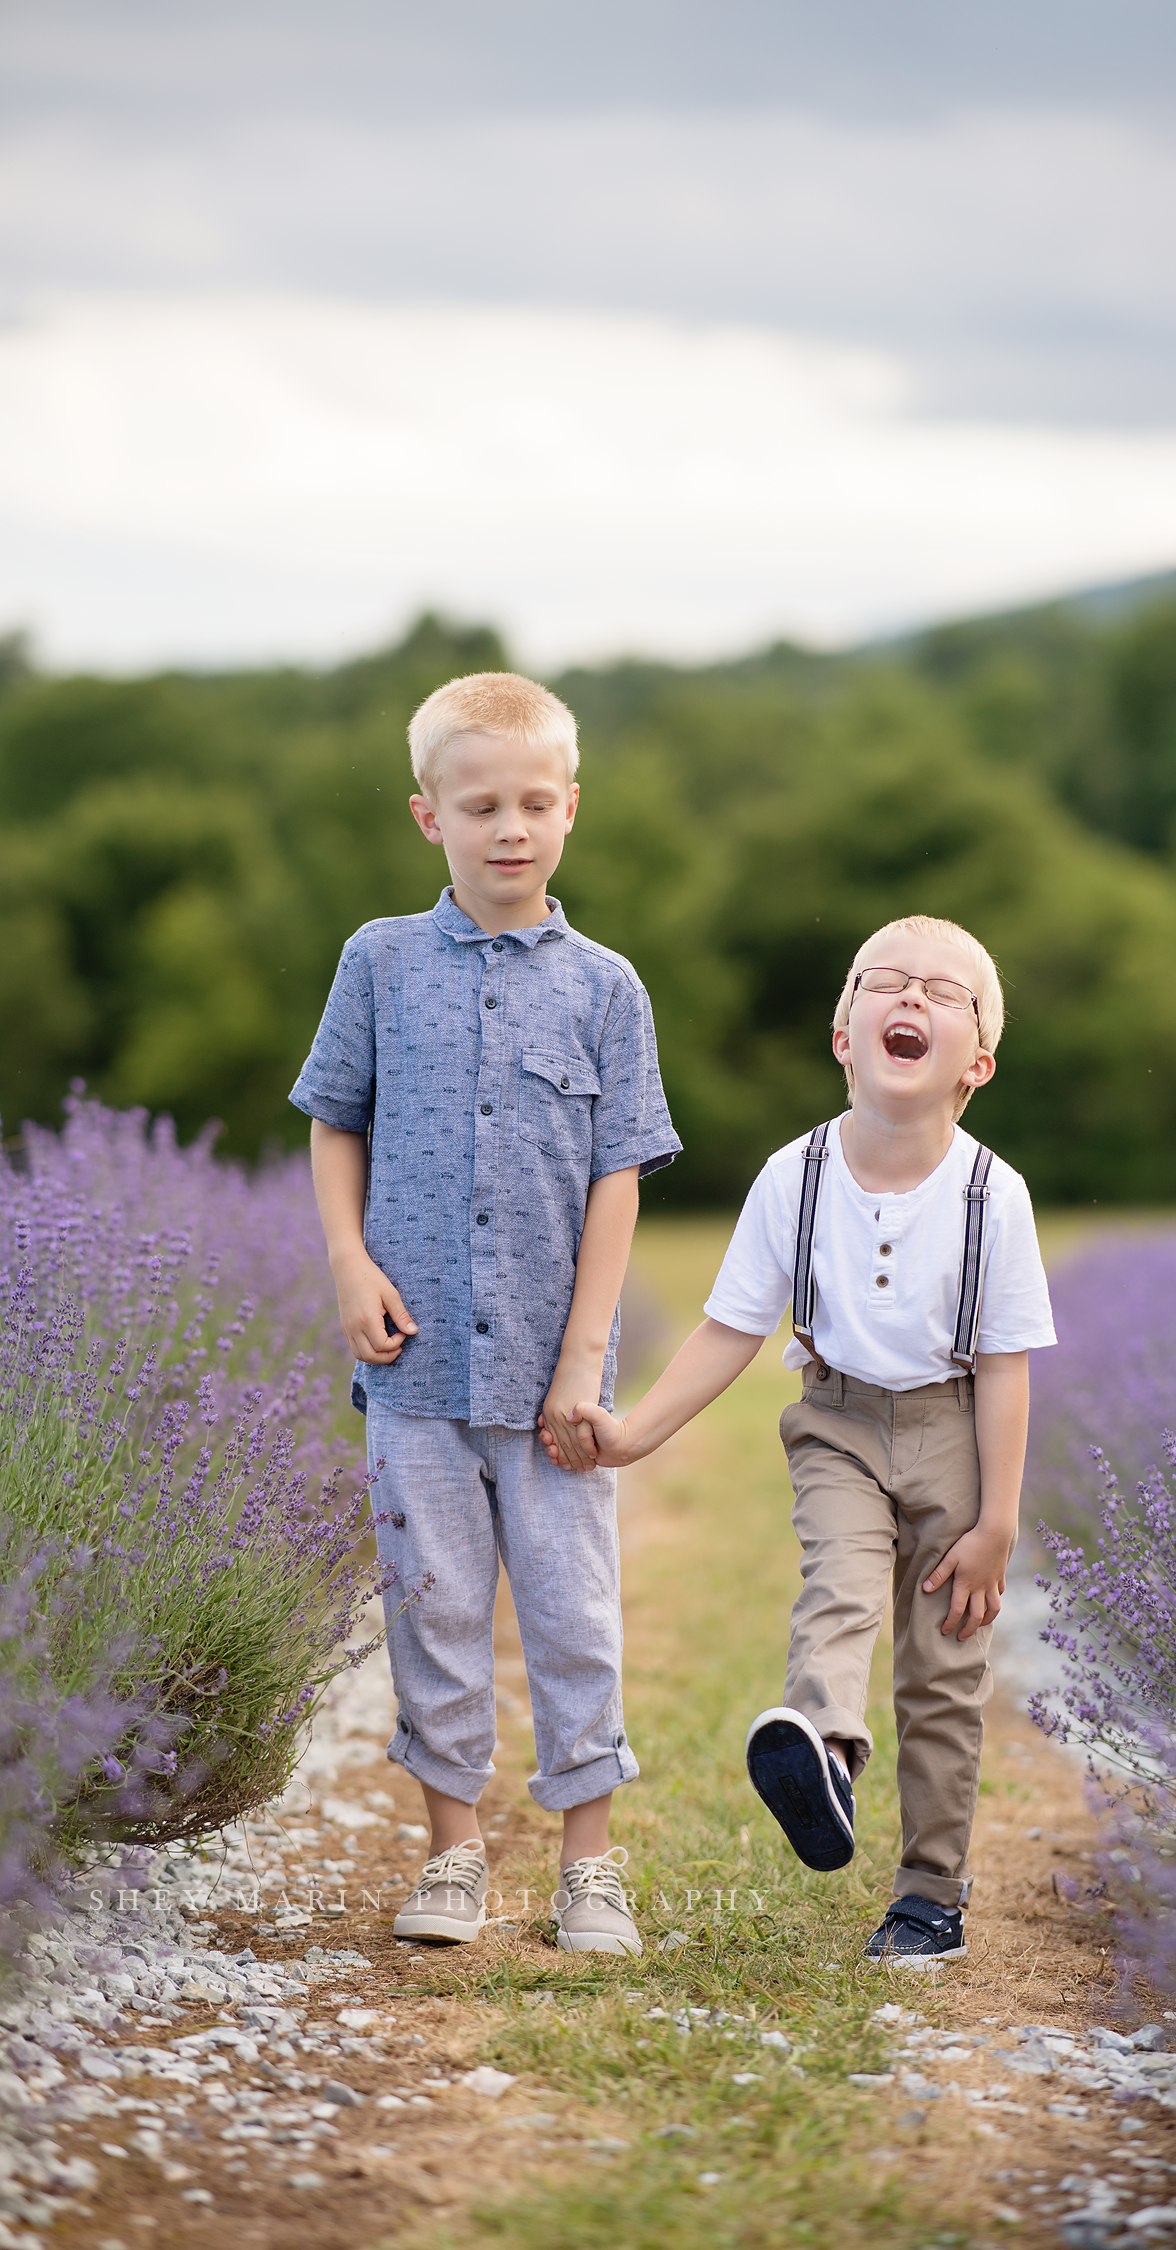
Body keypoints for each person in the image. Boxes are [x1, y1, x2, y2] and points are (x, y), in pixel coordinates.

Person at [542, 913, 1054, 1967]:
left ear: (980, 1063)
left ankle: (930, 1893)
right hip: (838, 1422)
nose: (909, 999)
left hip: (956, 1429)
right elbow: (732, 1328)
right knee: (840, 1589)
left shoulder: (993, 1195)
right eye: (884, 982)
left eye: (941, 993)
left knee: (944, 1671)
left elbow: (1006, 1366)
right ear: (843, 1035)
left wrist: (998, 1521)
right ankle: (822, 1747)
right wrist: (632, 1433)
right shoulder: (797, 1175)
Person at [290, 671, 679, 1958]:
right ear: (428, 817)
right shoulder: (380, 962)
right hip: (413, 1369)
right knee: (435, 1606)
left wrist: (586, 1359)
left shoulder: (610, 989)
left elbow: (619, 1178)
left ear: (572, 809)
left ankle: (589, 1869)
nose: (508, 827)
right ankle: (454, 1860)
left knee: (574, 1613)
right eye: (480, 806)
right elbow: (333, 1122)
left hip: (553, 1383)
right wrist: (348, 1261)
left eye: (533, 803)